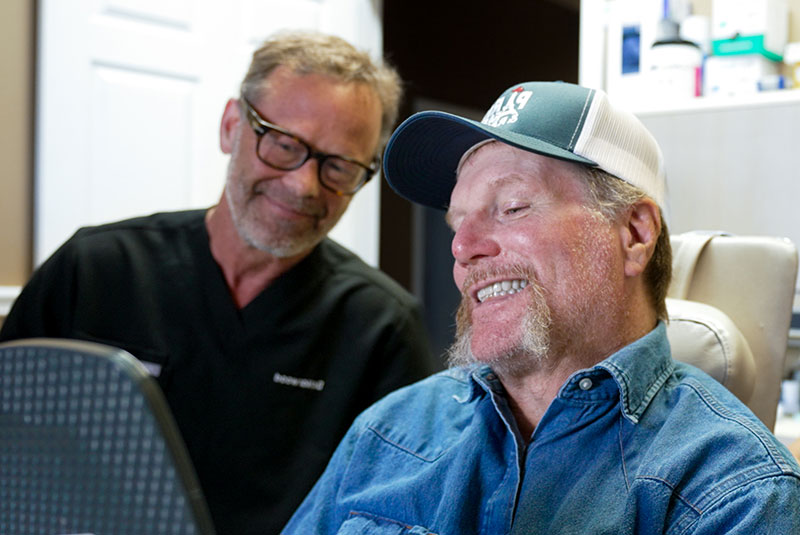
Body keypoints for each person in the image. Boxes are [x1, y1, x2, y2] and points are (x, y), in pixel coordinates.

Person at [283, 81, 800, 534]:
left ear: (634, 233)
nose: (463, 248)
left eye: (512, 207)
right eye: (456, 223)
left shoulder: (738, 494)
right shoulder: (387, 431)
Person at [0, 30, 438, 535]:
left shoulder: (379, 327)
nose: (303, 185)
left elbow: (396, 509)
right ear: (232, 126)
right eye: (284, 144)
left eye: (338, 166)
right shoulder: (96, 270)